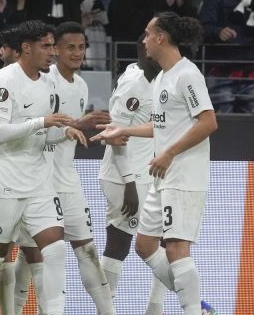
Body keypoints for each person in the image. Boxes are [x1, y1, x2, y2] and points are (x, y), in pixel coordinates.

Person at [91, 11, 218, 314]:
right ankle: (193, 304)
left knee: (175, 247)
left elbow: (208, 122)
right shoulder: (161, 76)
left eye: (148, 34)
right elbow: (161, 125)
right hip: (162, 177)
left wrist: (169, 152)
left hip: (183, 175)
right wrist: (126, 130)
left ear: (161, 37)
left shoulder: (188, 74)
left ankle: (193, 311)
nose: (144, 40)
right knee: (145, 246)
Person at [0, 20, 85, 315]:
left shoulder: (48, 84)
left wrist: (64, 132)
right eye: (45, 46)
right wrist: (43, 122)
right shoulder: (6, 80)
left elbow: (43, 136)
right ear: (26, 49)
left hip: (38, 185)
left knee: (55, 250)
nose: (52, 53)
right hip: (4, 185)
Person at [44, 21, 116, 315]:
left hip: (67, 179)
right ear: (56, 49)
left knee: (87, 250)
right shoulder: (44, 80)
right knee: (40, 257)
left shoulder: (83, 85)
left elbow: (72, 135)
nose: (77, 53)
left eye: (81, 47)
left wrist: (103, 136)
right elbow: (37, 132)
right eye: (70, 47)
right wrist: (78, 124)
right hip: (39, 181)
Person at [98, 34, 167, 314]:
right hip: (125, 177)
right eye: (143, 44)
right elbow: (113, 136)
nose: (147, 48)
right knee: (120, 243)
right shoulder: (133, 85)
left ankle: (154, 309)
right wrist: (128, 183)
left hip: (148, 174)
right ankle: (106, 308)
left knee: (161, 241)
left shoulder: (161, 79)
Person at [199, 0, 254, 113]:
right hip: (221, 71)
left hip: (253, 71)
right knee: (222, 120)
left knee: (252, 122)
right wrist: (218, 32)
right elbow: (202, 27)